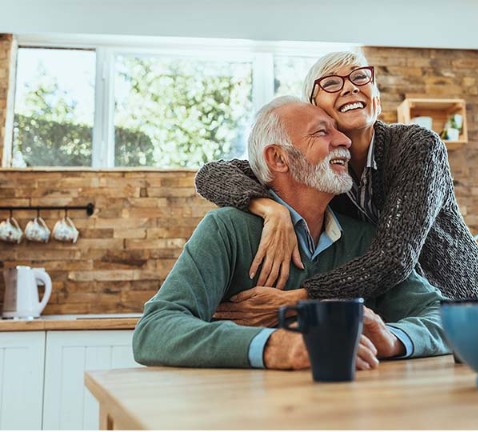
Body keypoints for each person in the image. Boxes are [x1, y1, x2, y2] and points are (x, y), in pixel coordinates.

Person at [132, 96, 449, 370]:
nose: (345, 141)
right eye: (322, 132)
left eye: (338, 131)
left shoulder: (364, 239)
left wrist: (393, 339)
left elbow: (444, 318)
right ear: (278, 158)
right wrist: (274, 346)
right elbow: (155, 330)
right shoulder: (227, 230)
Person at [195, 51, 478, 310]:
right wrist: (271, 210)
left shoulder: (417, 146)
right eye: (331, 83)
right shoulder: (321, 171)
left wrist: (302, 297)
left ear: (376, 100)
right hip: (399, 311)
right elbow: (212, 174)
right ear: (314, 108)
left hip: (462, 303)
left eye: (360, 78)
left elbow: (393, 257)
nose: (351, 88)